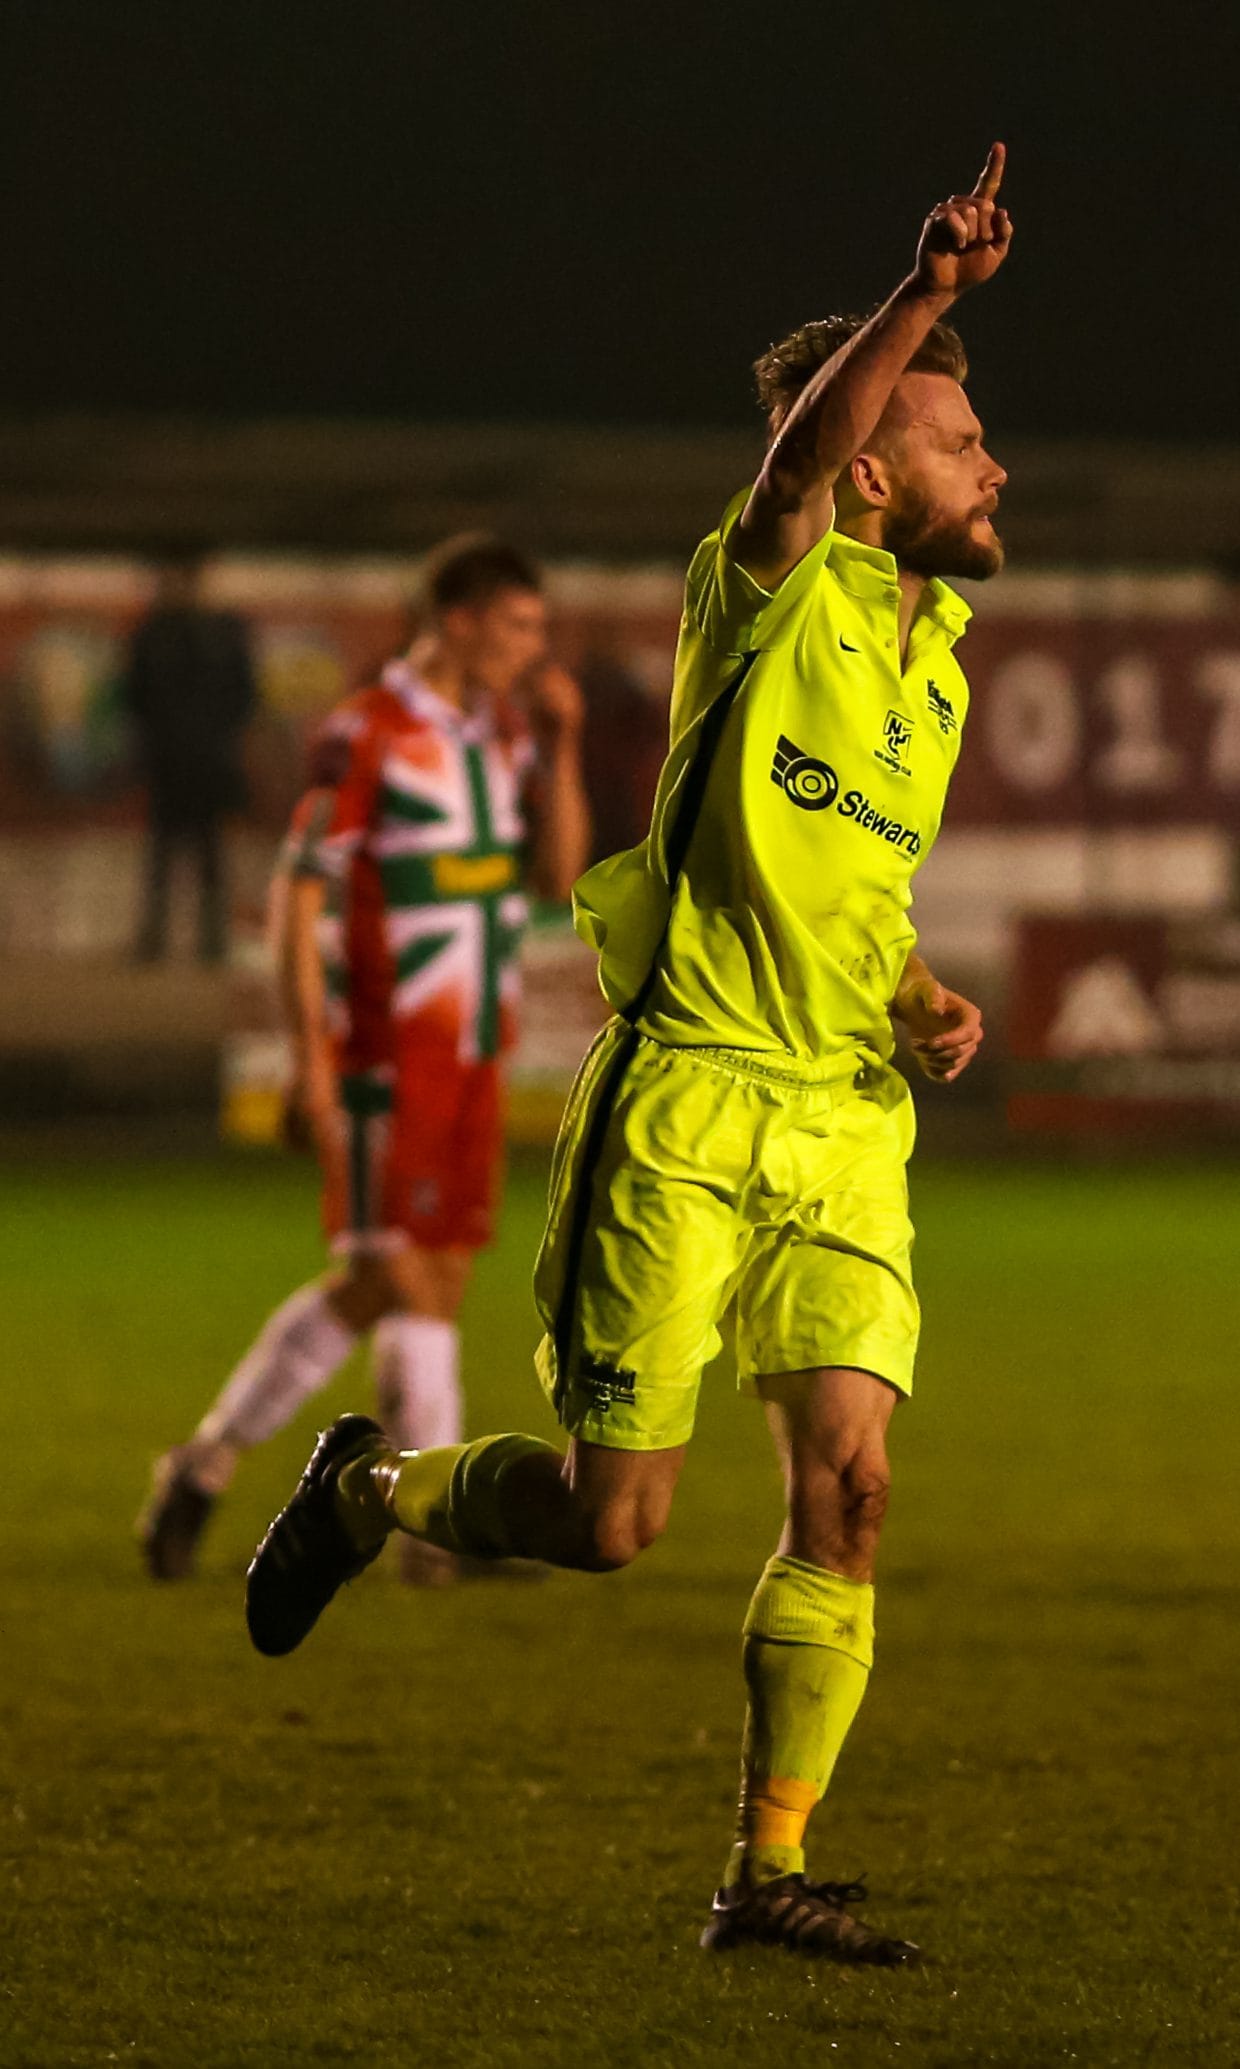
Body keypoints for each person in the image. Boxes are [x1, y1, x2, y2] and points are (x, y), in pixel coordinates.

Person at [244, 146, 1013, 1963]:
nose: (996, 466)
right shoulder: (765, 588)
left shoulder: (941, 664)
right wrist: (921, 295)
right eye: (960, 438)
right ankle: (363, 1487)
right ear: (877, 463)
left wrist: (913, 993)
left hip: (842, 1120)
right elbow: (791, 472)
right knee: (613, 1524)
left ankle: (764, 1869)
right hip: (684, 1099)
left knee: (850, 1486)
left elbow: (844, 879)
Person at [139, 536, 590, 1582]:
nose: (534, 648)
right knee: (397, 1274)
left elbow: (557, 873)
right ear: (460, 620)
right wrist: (304, 1059)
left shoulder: (506, 729)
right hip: (385, 1052)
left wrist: (562, 745)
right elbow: (300, 897)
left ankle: (218, 1468)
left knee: (408, 1280)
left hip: (477, 1049)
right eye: (520, 626)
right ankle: (425, 1524)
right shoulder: (365, 732)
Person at [124, 552, 258, 964]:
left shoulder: (218, 633)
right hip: (173, 761)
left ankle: (210, 939)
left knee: (207, 853)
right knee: (165, 853)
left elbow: (245, 697)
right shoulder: (154, 634)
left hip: (206, 762)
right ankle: (157, 938)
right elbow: (134, 698)